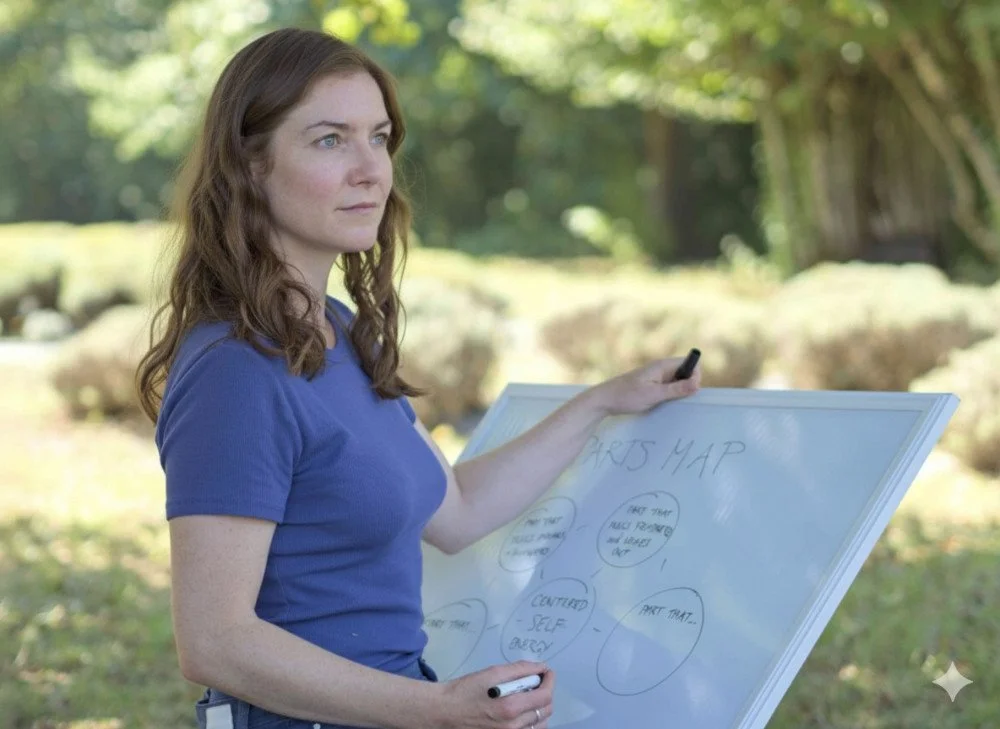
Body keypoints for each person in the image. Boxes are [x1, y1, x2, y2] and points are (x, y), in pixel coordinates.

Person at [135, 27, 701, 729]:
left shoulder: (339, 330)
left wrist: (603, 402)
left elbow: (457, 510)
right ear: (250, 165)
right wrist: (435, 709)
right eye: (330, 140)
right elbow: (214, 641)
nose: (371, 170)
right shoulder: (235, 370)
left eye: (379, 138)